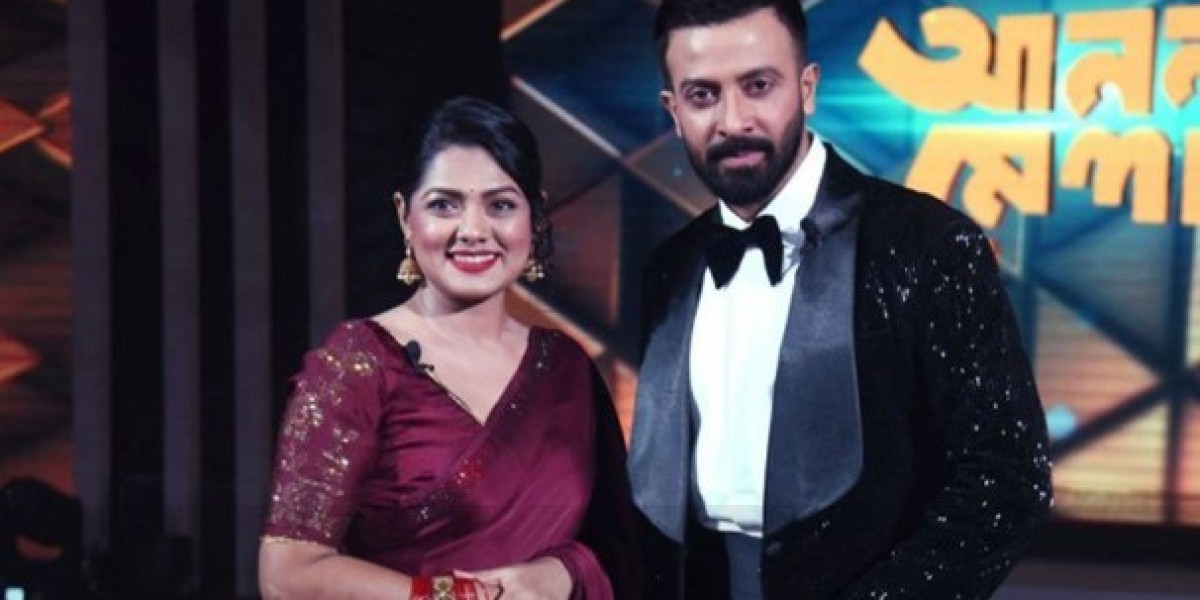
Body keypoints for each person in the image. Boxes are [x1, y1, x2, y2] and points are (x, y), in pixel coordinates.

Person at [628, 1, 1054, 599]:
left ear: (807, 89)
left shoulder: (927, 245)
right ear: (674, 111)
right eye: (703, 95)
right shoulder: (668, 267)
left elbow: (1008, 478)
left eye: (758, 86)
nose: (733, 120)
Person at [259, 96, 635, 600]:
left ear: (534, 218)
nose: (474, 230)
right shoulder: (357, 364)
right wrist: (454, 596)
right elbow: (288, 573)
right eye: (444, 205)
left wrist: (561, 573)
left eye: (501, 205)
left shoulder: (566, 367)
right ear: (404, 217)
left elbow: (620, 545)